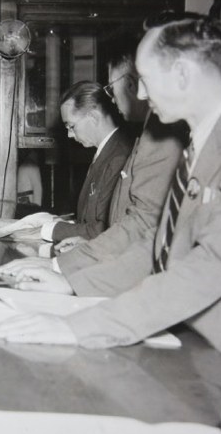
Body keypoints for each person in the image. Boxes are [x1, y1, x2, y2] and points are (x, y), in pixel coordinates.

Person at [0, 13, 221, 387]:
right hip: (189, 351)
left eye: (144, 81)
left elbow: (207, 268)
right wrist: (71, 282)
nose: (141, 95)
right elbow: (158, 246)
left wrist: (77, 327)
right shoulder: (200, 141)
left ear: (180, 74)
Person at [51, 45, 186, 277]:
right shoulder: (145, 135)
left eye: (113, 89)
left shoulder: (158, 136)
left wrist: (60, 264)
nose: (112, 100)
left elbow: (142, 223)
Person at [37, 81, 133, 243]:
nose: (69, 135)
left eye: (71, 126)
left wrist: (49, 229)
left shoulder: (119, 157)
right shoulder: (106, 152)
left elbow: (103, 229)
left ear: (93, 117)